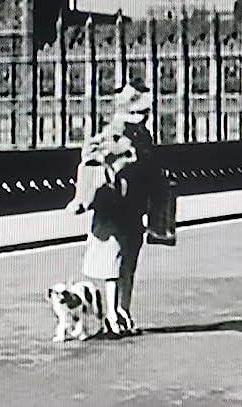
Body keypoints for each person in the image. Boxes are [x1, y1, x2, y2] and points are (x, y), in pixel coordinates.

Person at [66, 82, 159, 337]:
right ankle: (111, 315)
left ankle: (123, 311)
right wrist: (82, 199)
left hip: (133, 205)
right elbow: (91, 163)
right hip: (112, 206)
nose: (144, 118)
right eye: (140, 113)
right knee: (113, 262)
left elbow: (151, 169)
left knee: (128, 262)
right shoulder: (113, 132)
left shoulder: (143, 136)